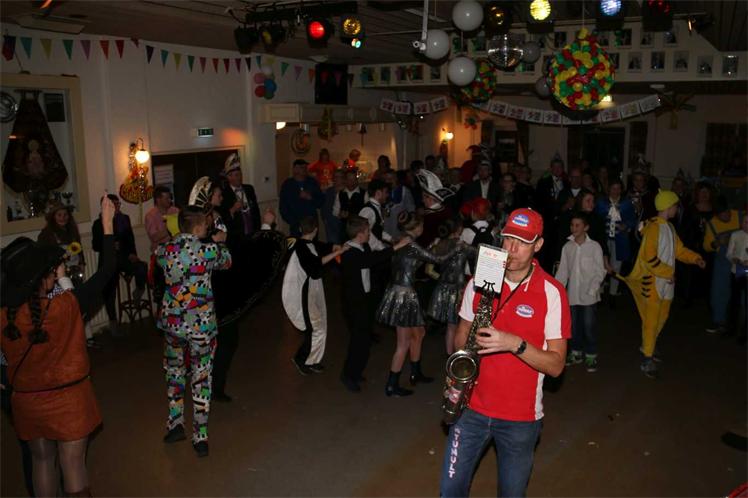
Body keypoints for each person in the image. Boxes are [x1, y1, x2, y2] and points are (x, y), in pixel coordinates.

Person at [440, 207, 571, 498]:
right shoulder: (480, 279)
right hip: (470, 408)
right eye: (508, 238)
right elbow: (461, 334)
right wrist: (464, 357)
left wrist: (514, 344)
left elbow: (556, 366)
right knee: (450, 491)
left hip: (520, 419)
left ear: (538, 245)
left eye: (522, 242)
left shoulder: (552, 293)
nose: (511, 249)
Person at [1, 195, 116, 497]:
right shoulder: (65, 307)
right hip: (68, 401)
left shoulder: (5, 317)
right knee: (73, 465)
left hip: (27, 402)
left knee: (42, 462)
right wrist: (106, 224)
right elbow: (106, 271)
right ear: (42, 279)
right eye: (50, 270)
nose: (55, 271)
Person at [157, 206, 232, 457]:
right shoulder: (208, 251)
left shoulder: (164, 250)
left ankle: (175, 424)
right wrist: (220, 241)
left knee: (174, 373)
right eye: (205, 225)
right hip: (200, 325)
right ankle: (200, 436)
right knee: (201, 377)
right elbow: (227, 261)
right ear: (199, 227)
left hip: (173, 323)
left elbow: (167, 256)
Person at [618, 191, 705, 379]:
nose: (677, 209)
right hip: (653, 284)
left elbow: (679, 250)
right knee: (651, 322)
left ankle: (647, 345)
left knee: (661, 318)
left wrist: (695, 258)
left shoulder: (670, 228)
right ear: (667, 207)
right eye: (675, 205)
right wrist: (667, 273)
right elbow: (649, 257)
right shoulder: (654, 228)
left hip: (667, 283)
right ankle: (647, 358)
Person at [376, 212, 458, 397]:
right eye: (422, 225)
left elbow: (418, 259)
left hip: (400, 291)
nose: (423, 228)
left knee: (419, 333)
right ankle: (391, 385)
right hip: (404, 295)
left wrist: (432, 246)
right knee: (403, 343)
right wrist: (455, 248)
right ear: (417, 227)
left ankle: (415, 373)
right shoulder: (411, 244)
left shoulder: (402, 241)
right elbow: (437, 260)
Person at [339, 216, 409, 393]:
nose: (370, 234)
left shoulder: (363, 247)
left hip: (363, 301)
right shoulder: (349, 252)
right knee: (358, 341)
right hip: (354, 304)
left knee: (364, 340)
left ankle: (356, 372)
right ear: (360, 234)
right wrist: (396, 247)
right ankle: (348, 375)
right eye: (368, 231)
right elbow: (371, 260)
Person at [283, 216, 348, 375]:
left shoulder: (304, 243)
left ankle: (313, 359)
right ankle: (301, 359)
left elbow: (319, 246)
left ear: (301, 229)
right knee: (315, 329)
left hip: (313, 291)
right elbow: (314, 267)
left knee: (320, 327)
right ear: (316, 230)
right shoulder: (301, 248)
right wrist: (338, 252)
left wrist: (332, 247)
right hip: (306, 294)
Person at [555, 212, 607, 372]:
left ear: (586, 227)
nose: (574, 228)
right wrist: (557, 291)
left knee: (589, 326)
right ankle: (576, 352)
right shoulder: (567, 247)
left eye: (578, 225)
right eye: (572, 225)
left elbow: (600, 270)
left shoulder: (594, 247)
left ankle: (591, 355)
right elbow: (563, 271)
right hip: (572, 295)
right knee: (573, 326)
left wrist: (592, 289)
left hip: (589, 296)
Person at [92, 194, 148, 336]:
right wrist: (109, 244)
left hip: (124, 257)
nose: (117, 207)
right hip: (108, 260)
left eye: (118, 204)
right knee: (109, 288)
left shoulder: (124, 219)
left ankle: (138, 291)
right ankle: (113, 321)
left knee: (142, 267)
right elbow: (96, 246)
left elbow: (130, 239)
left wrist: (133, 253)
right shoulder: (98, 223)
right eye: (114, 205)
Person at [426, 218, 476, 355]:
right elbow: (479, 253)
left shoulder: (439, 244)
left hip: (442, 288)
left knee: (451, 325)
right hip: (457, 289)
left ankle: (450, 355)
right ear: (459, 229)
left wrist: (442, 279)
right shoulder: (462, 246)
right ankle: (455, 356)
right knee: (455, 325)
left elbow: (428, 269)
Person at [703, 197, 744, 334]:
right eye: (722, 215)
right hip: (723, 260)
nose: (727, 216)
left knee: (743, 291)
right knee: (719, 291)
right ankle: (719, 321)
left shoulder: (740, 215)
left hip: (742, 258)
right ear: (716, 215)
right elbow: (706, 246)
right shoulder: (712, 224)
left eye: (728, 212)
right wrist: (717, 243)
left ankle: (742, 323)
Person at [595, 180, 637, 304]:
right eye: (613, 188)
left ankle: (613, 293)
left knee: (616, 266)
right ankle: (600, 291)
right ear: (609, 189)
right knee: (601, 265)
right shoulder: (602, 203)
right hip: (603, 238)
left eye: (618, 188)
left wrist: (626, 225)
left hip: (620, 239)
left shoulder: (626, 204)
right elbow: (596, 217)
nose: (616, 191)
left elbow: (632, 220)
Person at [37, 202, 85, 283]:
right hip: (59, 273)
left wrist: (82, 263)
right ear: (53, 217)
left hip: (75, 270)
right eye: (59, 215)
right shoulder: (46, 234)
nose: (62, 218)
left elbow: (79, 250)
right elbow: (43, 255)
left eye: (65, 215)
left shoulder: (72, 230)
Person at [218, 153, 261, 243]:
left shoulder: (249, 188)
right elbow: (223, 218)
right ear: (229, 177)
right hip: (237, 236)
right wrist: (233, 209)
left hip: (253, 232)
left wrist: (258, 231)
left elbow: (256, 211)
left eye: (240, 174)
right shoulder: (224, 194)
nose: (239, 178)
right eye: (236, 175)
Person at [535, 156, 569, 272]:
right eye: (555, 167)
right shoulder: (543, 183)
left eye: (560, 167)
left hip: (562, 223)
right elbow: (540, 202)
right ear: (551, 169)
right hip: (548, 221)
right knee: (546, 251)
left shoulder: (566, 182)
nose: (557, 169)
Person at [279, 159, 324, 237]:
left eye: (306, 167)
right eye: (302, 167)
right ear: (295, 169)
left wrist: (310, 197)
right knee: (297, 243)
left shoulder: (312, 182)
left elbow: (321, 201)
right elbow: (283, 206)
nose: (305, 169)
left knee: (312, 243)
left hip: (311, 224)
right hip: (296, 225)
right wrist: (292, 221)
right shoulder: (288, 184)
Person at [726, 215, 748, 341]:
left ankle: (744, 334)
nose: (747, 225)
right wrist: (733, 259)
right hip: (737, 271)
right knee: (734, 301)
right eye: (745, 222)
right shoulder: (735, 235)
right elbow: (729, 253)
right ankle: (731, 329)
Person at [333, 169, 367, 240]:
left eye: (353, 179)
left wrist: (352, 215)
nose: (351, 182)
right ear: (345, 180)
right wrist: (340, 214)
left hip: (360, 229)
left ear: (357, 180)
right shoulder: (340, 194)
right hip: (345, 229)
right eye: (349, 179)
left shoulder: (364, 193)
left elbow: (368, 212)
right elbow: (335, 211)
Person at [145, 185, 179, 252]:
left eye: (170, 198)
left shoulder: (175, 211)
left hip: (177, 247)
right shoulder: (150, 216)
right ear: (158, 200)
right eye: (166, 198)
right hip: (160, 250)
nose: (170, 200)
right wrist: (170, 227)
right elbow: (154, 237)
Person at [383, 170, 416, 239]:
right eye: (386, 179)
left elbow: (411, 209)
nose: (388, 181)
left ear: (396, 178)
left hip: (400, 228)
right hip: (387, 227)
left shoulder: (404, 191)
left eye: (390, 179)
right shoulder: (383, 192)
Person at [321, 169, 345, 244]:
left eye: (339, 177)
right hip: (330, 222)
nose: (337, 179)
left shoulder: (347, 191)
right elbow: (324, 206)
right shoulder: (329, 191)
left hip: (344, 223)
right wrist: (325, 219)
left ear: (343, 178)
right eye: (335, 177)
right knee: (333, 244)